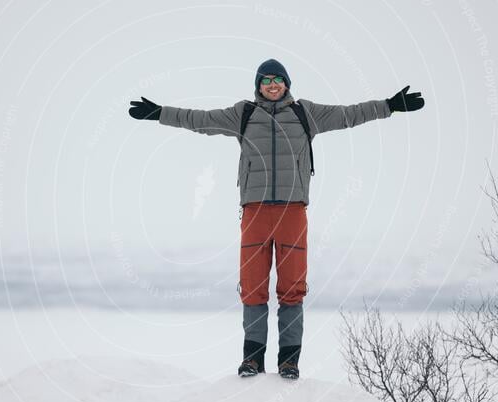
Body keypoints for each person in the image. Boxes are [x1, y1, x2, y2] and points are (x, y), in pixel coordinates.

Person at [129, 58, 424, 380]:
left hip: (292, 212)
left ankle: (289, 361)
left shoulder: (306, 113)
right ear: (258, 85)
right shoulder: (242, 114)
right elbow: (200, 120)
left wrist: (390, 105)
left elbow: (349, 114)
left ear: (287, 84)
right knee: (253, 288)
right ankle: (252, 360)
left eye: (278, 79)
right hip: (255, 211)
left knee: (292, 289)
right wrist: (159, 113)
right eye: (266, 80)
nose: (272, 84)